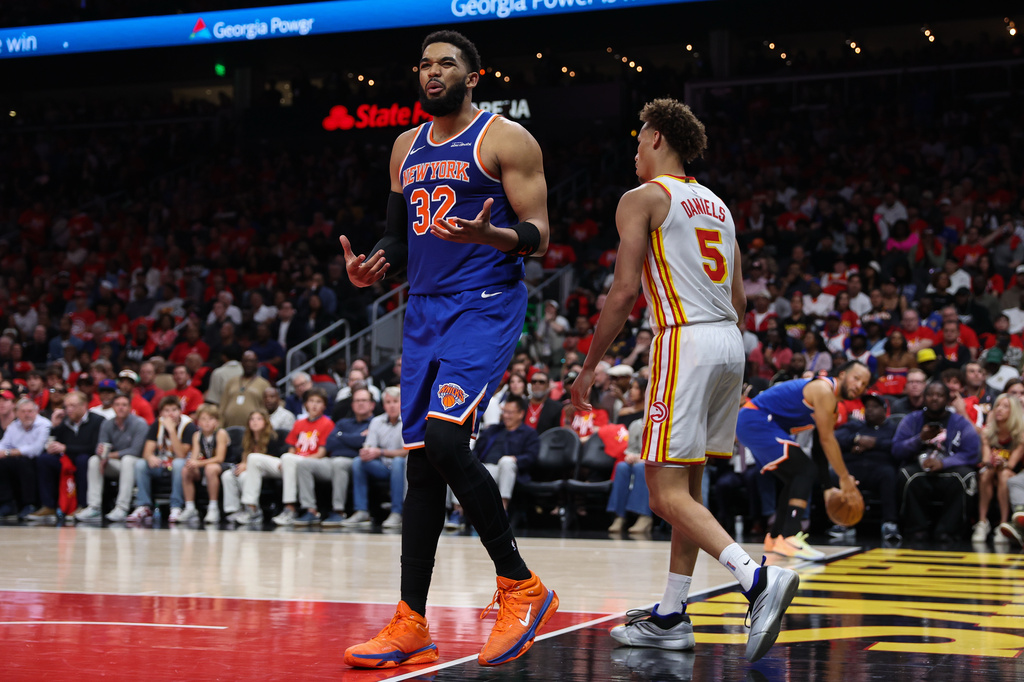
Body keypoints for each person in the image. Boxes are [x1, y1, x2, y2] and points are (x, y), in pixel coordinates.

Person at [340, 31, 557, 669]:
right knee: (421, 466)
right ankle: (410, 621)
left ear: (474, 76)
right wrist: (373, 268)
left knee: (442, 441)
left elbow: (539, 236)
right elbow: (396, 240)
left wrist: (492, 232)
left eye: (446, 64)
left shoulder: (506, 140)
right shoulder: (404, 147)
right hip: (425, 310)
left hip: (485, 302)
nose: (432, 74)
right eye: (426, 65)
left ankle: (521, 585)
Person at [569, 98, 799, 663]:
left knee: (663, 492)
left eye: (637, 139)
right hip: (728, 341)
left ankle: (755, 579)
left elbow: (623, 293)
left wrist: (589, 363)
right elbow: (741, 300)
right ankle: (672, 614)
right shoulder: (718, 205)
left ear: (655, 139)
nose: (633, 150)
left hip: (685, 339)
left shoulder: (642, 198)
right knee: (688, 489)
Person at [737, 362, 871, 560]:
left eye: (864, 384)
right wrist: (844, 479)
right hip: (757, 419)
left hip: (758, 422)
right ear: (842, 375)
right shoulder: (824, 390)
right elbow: (827, 440)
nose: (859, 386)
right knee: (804, 470)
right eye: (856, 378)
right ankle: (790, 536)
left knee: (796, 476)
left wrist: (828, 488)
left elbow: (818, 447)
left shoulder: (832, 406)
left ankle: (775, 538)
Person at [892, 381, 981, 541]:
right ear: (924, 398)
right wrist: (919, 439)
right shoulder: (911, 420)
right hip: (920, 466)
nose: (934, 398)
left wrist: (944, 463)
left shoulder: (960, 422)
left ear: (947, 400)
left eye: (940, 395)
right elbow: (897, 450)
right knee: (905, 475)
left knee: (966, 477)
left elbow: (972, 453)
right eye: (930, 395)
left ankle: (949, 531)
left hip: (950, 467)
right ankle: (916, 530)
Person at [292, 388, 369, 527]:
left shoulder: (374, 423)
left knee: (339, 463)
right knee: (304, 464)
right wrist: (353, 439)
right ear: (352, 404)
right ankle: (311, 510)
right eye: (357, 400)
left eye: (364, 400)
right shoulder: (342, 423)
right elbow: (331, 442)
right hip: (332, 460)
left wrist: (342, 437)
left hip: (356, 462)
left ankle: (338, 511)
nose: (360, 404)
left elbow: (363, 444)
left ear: (372, 405)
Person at [834, 392, 902, 545]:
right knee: (840, 474)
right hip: (855, 467)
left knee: (888, 475)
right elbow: (835, 438)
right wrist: (856, 439)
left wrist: (874, 443)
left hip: (880, 468)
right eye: (868, 407)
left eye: (875, 407)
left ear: (885, 410)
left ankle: (890, 523)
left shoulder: (893, 429)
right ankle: (843, 522)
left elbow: (898, 446)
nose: (870, 410)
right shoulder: (854, 425)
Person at [74, 393, 148, 522]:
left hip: (137, 465)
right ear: (113, 407)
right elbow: (102, 446)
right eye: (117, 405)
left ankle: (122, 507)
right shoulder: (107, 424)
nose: (121, 408)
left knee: (128, 459)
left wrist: (110, 455)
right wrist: (101, 454)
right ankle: (94, 507)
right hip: (117, 465)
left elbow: (136, 451)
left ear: (130, 407)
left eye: (124, 405)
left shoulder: (139, 423)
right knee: (94, 460)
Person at [341, 386, 407, 528]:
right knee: (358, 461)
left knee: (397, 461)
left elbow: (406, 451)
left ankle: (397, 512)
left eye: (395, 401)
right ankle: (361, 511)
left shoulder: (407, 420)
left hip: (403, 467)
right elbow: (370, 446)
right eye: (388, 402)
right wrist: (366, 451)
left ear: (402, 402)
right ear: (383, 405)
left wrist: (380, 452)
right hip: (382, 466)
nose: (392, 405)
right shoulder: (376, 421)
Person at [127, 396, 197, 523]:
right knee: (141, 464)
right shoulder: (157, 424)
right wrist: (150, 457)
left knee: (179, 463)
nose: (171, 414)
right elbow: (146, 452)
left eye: (174, 410)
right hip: (163, 464)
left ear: (180, 411)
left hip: (183, 468)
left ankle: (176, 506)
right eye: (167, 410)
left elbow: (181, 454)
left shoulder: (188, 426)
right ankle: (144, 506)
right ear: (161, 413)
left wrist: (171, 431)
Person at [270, 388, 335, 526]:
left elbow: (321, 453)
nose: (314, 405)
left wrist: (290, 460)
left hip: (314, 462)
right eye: (311, 401)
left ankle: (290, 508)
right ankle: (250, 509)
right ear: (305, 404)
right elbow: (292, 448)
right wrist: (288, 460)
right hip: (294, 460)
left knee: (288, 459)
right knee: (254, 458)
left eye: (318, 402)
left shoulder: (327, 423)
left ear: (324, 406)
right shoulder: (299, 423)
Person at [465, 395, 538, 514]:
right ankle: (458, 512)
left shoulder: (529, 434)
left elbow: (531, 457)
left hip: (508, 470)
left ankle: (502, 509)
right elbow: (477, 450)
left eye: (510, 413)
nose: (506, 416)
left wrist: (515, 459)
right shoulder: (493, 430)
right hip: (485, 466)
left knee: (506, 461)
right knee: (461, 466)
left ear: (520, 414)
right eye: (504, 412)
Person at [41, 390, 104, 519]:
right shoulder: (64, 422)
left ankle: (82, 505)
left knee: (83, 460)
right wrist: (54, 426)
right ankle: (49, 506)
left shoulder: (97, 421)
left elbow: (94, 448)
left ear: (84, 405)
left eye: (72, 406)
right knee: (44, 459)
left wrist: (66, 448)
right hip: (67, 459)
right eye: (66, 406)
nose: (68, 410)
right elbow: (50, 444)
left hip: (86, 458)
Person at [972, 394, 1024, 543]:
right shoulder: (987, 432)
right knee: (986, 473)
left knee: (1004, 474)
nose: (999, 409)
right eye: (998, 406)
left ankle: (1003, 523)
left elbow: (1012, 464)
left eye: (1005, 406)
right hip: (991, 471)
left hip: (1011, 474)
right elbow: (985, 459)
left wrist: (1002, 462)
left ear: (1013, 412)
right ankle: (982, 523)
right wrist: (992, 461)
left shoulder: (1020, 435)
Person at [222, 409, 285, 526]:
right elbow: (242, 459)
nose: (255, 422)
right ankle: (234, 510)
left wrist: (247, 465)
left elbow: (274, 457)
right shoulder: (246, 439)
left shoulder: (273, 437)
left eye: (259, 419)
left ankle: (253, 510)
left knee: (245, 476)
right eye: (252, 419)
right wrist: (241, 465)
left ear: (266, 422)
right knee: (228, 475)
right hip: (251, 469)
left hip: (268, 469)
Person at [172, 404, 228, 524]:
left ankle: (213, 508)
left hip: (224, 465)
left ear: (217, 422)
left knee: (210, 468)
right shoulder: (197, 435)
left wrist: (198, 463)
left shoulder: (220, 434)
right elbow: (194, 458)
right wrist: (192, 463)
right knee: (186, 469)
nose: (207, 422)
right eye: (203, 419)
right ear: (198, 422)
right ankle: (190, 507)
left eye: (210, 419)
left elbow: (219, 458)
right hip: (205, 465)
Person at [0, 399, 51, 519]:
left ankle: (30, 504)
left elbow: (36, 449)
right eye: (23, 411)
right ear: (16, 413)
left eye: (30, 411)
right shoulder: (14, 425)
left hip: (37, 460)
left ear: (36, 412)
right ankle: (7, 503)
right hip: (15, 459)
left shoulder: (44, 424)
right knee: (2, 463)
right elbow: (3, 444)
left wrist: (9, 452)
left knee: (23, 462)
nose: (27, 414)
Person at [606, 417, 652, 533]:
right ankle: (619, 516)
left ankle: (644, 516)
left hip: (660, 463)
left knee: (640, 467)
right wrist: (630, 456)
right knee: (621, 466)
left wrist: (646, 459)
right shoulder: (636, 423)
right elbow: (631, 449)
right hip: (640, 460)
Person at [219, 351, 271, 428]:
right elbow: (223, 405)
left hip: (253, 430)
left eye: (252, 361)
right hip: (229, 427)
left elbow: (267, 408)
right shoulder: (231, 381)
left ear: (257, 363)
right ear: (241, 363)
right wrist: (220, 424)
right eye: (246, 361)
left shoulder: (264, 384)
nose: (248, 364)